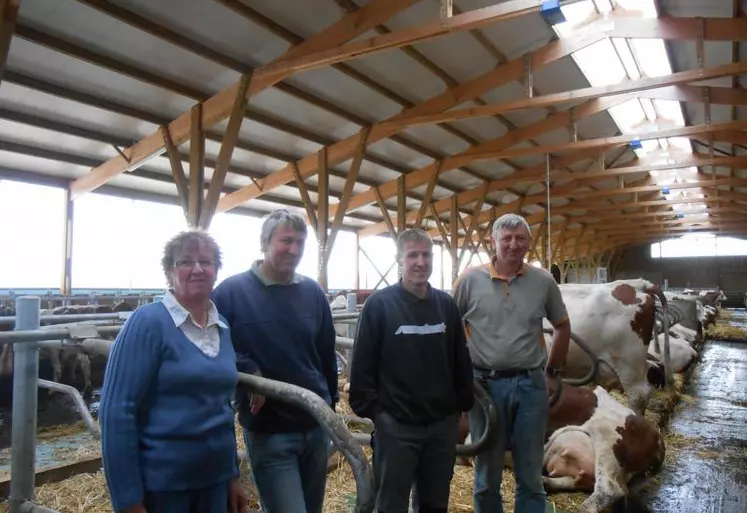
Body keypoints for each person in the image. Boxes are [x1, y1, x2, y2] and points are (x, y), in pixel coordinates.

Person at [99, 229, 246, 513]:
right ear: (169, 272)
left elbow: (222, 408)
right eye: (186, 262)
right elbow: (117, 410)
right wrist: (127, 498)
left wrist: (232, 476)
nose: (198, 269)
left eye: (206, 262)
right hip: (164, 487)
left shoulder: (222, 326)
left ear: (216, 271)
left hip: (214, 483)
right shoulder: (147, 323)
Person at [212, 209, 338, 513]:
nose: (293, 249)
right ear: (265, 242)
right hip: (270, 430)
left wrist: (330, 408)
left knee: (312, 508)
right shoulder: (231, 293)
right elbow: (213, 347)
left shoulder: (312, 293)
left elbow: (325, 354)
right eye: (286, 241)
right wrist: (248, 369)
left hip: (315, 424)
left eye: (300, 242)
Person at [349, 228, 474, 513]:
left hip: (441, 426)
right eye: (412, 255)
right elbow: (363, 367)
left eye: (426, 255)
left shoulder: (445, 305)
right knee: (391, 502)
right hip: (397, 426)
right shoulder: (379, 306)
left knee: (435, 503)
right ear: (399, 260)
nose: (420, 262)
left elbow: (460, 359)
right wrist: (379, 416)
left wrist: (459, 406)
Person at [452, 213, 571, 513]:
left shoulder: (543, 281)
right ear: (493, 242)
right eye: (506, 238)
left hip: (531, 385)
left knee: (530, 472)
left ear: (529, 242)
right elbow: (450, 331)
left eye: (520, 238)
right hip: (484, 387)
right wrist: (456, 377)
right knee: (486, 473)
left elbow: (562, 325)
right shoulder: (469, 280)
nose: (514, 245)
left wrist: (554, 371)